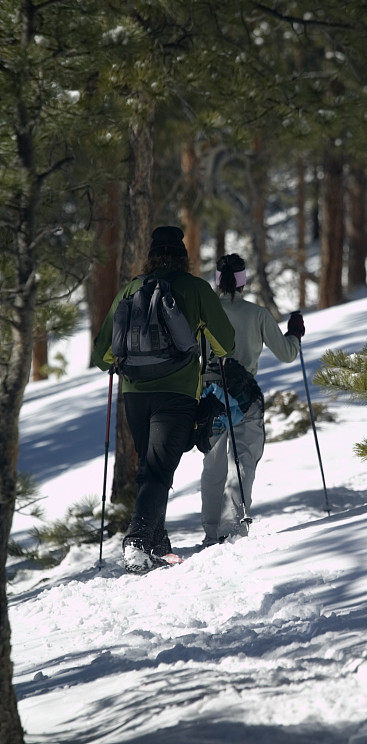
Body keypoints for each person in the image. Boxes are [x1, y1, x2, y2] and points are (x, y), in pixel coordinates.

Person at [92, 226, 235, 572]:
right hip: (176, 393)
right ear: (183, 257)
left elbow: (101, 356)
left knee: (151, 467)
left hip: (136, 395)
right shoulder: (195, 288)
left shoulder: (130, 290)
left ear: (151, 256)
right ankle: (138, 540)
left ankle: (157, 541)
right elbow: (225, 343)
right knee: (158, 470)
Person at [200, 253, 305, 546]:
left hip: (211, 396)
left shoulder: (204, 313)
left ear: (218, 280)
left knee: (213, 464)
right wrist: (295, 333)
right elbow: (286, 354)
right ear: (243, 280)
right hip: (245, 396)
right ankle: (235, 527)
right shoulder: (257, 314)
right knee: (244, 461)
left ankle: (211, 532)